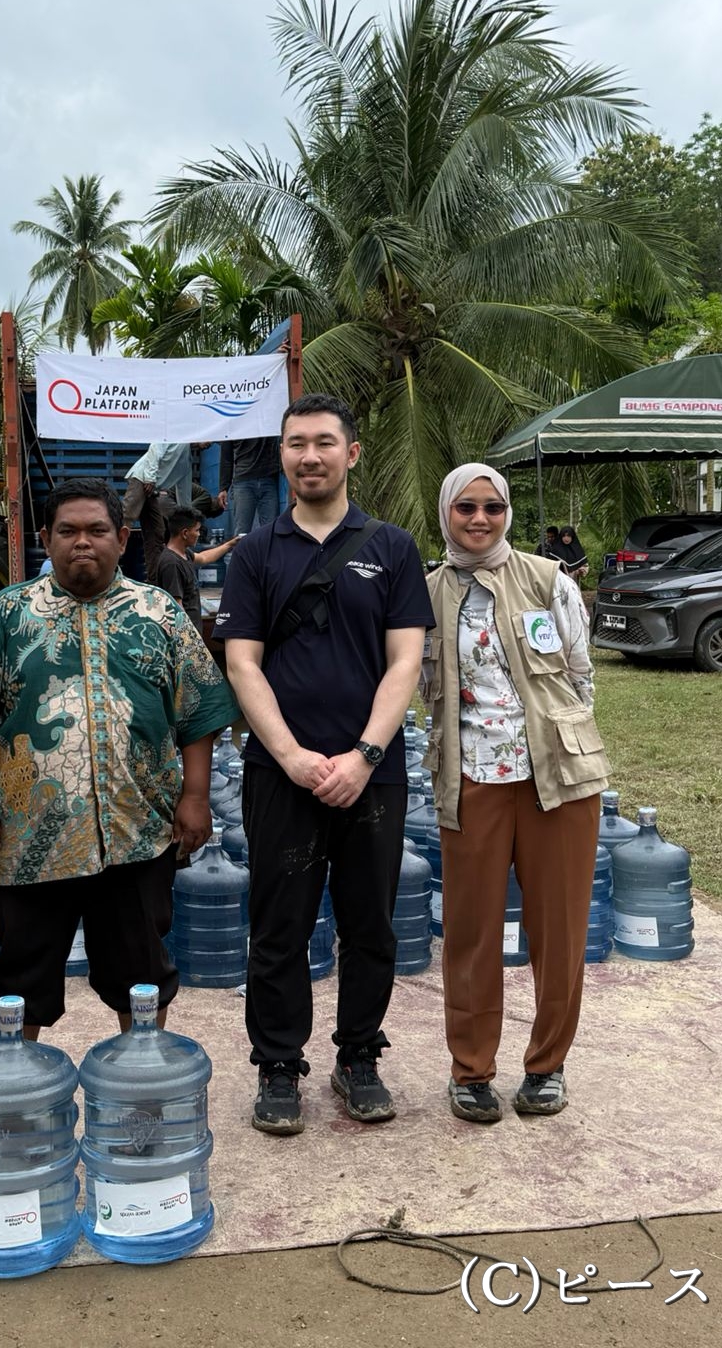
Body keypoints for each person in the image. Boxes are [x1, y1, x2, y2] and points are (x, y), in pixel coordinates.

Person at [0, 478, 237, 1039]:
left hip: (138, 833)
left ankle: (142, 1088)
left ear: (122, 538)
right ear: (46, 539)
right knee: (22, 979)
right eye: (68, 531)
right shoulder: (8, 615)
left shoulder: (160, 614)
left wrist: (196, 797)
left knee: (142, 974)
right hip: (29, 839)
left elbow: (197, 712)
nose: (84, 542)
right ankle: (21, 1095)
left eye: (97, 530)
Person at [215, 393, 433, 1134]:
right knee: (279, 923)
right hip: (284, 774)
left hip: (374, 771)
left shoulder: (393, 548)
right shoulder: (254, 553)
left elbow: (406, 661)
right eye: (295, 444)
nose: (310, 456)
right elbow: (242, 664)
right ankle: (278, 1065)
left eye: (324, 443)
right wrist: (295, 758)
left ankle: (359, 1056)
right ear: (281, 455)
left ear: (352, 453)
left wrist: (365, 754)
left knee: (370, 923)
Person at [423, 464, 606, 1124]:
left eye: (492, 507)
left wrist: (562, 740)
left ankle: (547, 1066)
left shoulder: (547, 579)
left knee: (558, 929)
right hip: (471, 777)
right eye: (466, 507)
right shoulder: (427, 592)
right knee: (471, 932)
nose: (479, 519)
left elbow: (582, 674)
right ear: (447, 511)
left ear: (507, 512)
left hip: (557, 779)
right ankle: (470, 1071)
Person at [123, 440, 195, 581]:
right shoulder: (177, 438)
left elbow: (184, 491)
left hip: (153, 489)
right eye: (209, 439)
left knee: (157, 533)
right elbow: (155, 449)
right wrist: (150, 478)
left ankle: (154, 580)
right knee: (126, 519)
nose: (209, 443)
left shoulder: (187, 461)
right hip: (142, 478)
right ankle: (108, 571)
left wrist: (188, 518)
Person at [150, 506, 241, 616]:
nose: (199, 534)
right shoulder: (172, 564)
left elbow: (204, 558)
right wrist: (189, 633)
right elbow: (177, 609)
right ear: (185, 533)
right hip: (187, 631)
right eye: (197, 530)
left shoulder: (184, 553)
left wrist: (230, 544)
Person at [220, 435, 282, 535]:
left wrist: (223, 487)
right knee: (242, 532)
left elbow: (226, 457)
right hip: (245, 480)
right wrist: (223, 487)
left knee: (271, 532)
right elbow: (226, 457)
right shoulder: (232, 425)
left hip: (267, 477)